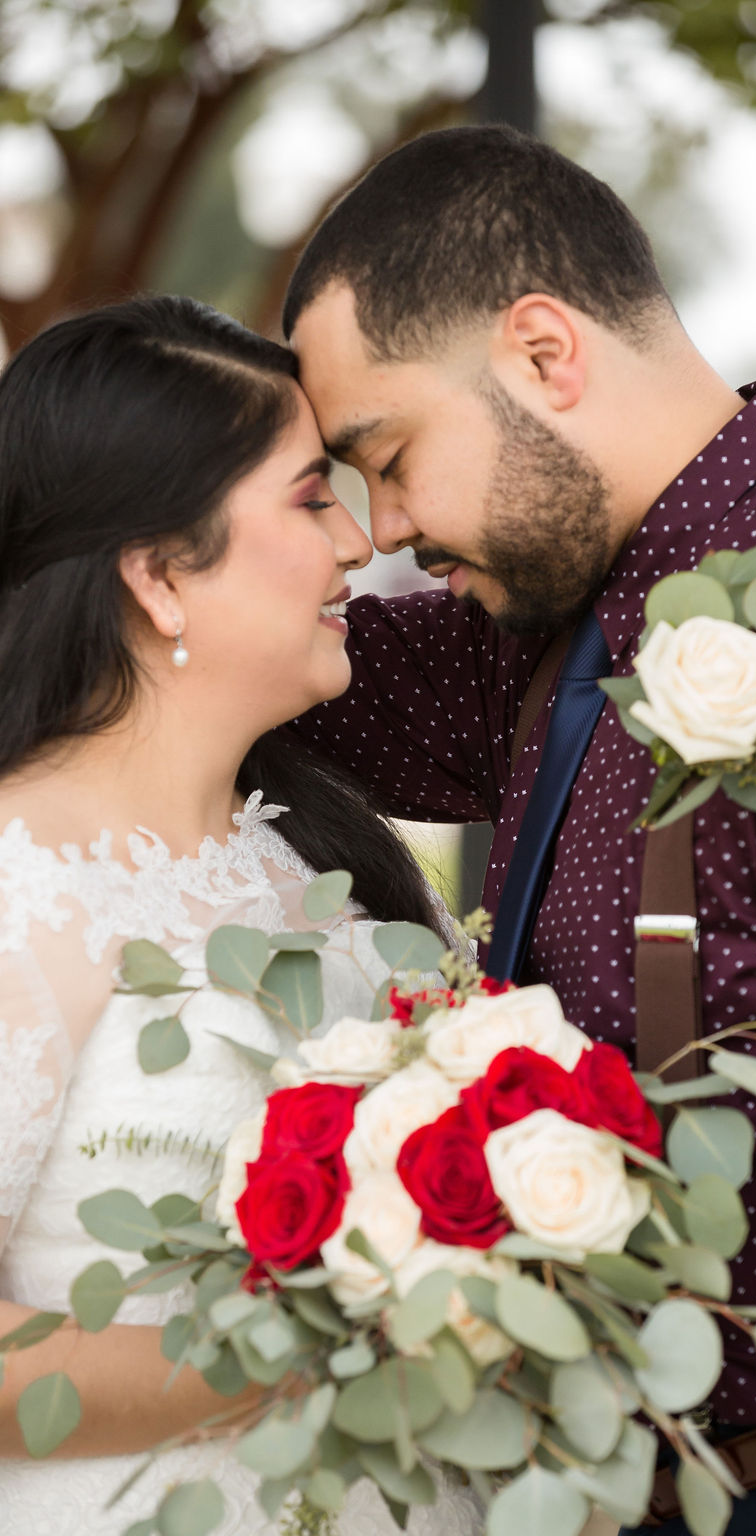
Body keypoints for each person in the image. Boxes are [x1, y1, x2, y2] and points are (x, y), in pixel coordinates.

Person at [282, 126, 756, 1536]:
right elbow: (289, 671)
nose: (381, 528)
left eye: (387, 456)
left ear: (545, 353)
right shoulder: (555, 622)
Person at [0, 295, 480, 1536]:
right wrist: (336, 1351)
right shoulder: (19, 884)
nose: (361, 542)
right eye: (312, 498)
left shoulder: (316, 851)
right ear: (162, 573)